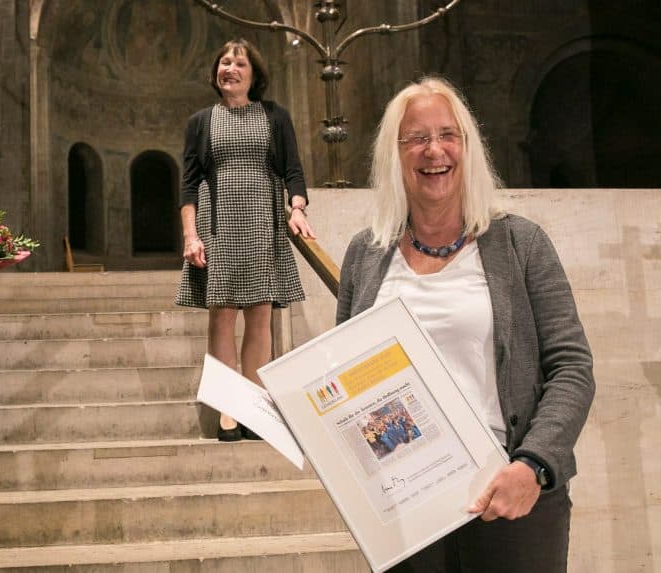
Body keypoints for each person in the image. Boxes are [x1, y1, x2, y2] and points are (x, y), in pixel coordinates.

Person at [337, 77, 594, 572]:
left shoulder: (522, 244)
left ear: (468, 147)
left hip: (510, 494)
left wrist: (533, 465)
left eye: (447, 134)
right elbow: (350, 381)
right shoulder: (364, 256)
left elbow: (572, 367)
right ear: (395, 154)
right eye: (416, 137)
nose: (434, 150)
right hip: (406, 507)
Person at [175, 39, 315, 441]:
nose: (230, 68)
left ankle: (254, 407)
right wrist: (191, 235)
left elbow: (293, 170)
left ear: (254, 74)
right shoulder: (201, 122)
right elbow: (188, 185)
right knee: (221, 317)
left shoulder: (275, 116)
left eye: (238, 63)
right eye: (224, 62)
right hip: (218, 225)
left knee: (259, 317)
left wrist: (298, 207)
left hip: (262, 223)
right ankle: (227, 410)